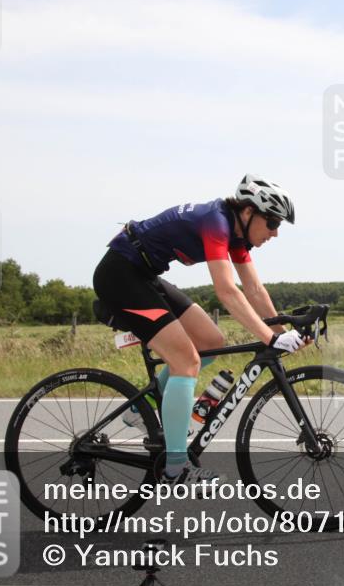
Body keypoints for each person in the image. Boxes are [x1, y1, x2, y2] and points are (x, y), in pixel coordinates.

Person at [92, 175, 309, 486]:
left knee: (210, 340)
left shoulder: (237, 234)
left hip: (143, 275)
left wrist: (283, 331)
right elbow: (227, 291)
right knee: (187, 362)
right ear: (248, 212)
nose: (274, 232)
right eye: (272, 222)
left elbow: (254, 288)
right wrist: (271, 338)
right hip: (120, 274)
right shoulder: (216, 222)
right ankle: (176, 469)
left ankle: (143, 410)